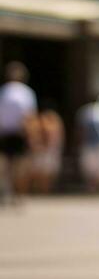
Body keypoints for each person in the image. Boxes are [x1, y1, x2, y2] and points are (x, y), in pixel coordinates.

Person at [0, 63, 37, 206]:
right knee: (19, 166)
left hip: (5, 133)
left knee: (6, 166)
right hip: (18, 133)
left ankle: (7, 193)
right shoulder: (25, 92)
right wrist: (32, 135)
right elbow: (29, 116)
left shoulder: (3, 91)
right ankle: (17, 195)